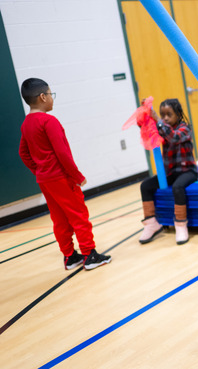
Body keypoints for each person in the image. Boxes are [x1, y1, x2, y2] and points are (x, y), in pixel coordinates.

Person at [18, 78, 111, 270]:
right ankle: (89, 255)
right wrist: (77, 176)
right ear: (43, 97)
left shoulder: (26, 124)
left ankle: (70, 256)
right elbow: (62, 153)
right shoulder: (49, 121)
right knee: (79, 215)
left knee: (59, 219)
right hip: (61, 178)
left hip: (45, 180)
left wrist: (38, 170)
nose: (52, 98)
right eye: (51, 94)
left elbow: (23, 153)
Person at [139, 99, 198, 245]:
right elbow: (145, 128)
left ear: (178, 114)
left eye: (169, 114)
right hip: (170, 173)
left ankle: (180, 224)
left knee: (178, 187)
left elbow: (174, 137)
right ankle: (151, 223)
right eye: (162, 115)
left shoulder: (184, 129)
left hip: (187, 171)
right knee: (145, 186)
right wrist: (145, 114)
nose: (165, 118)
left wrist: (158, 120)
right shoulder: (162, 128)